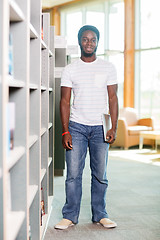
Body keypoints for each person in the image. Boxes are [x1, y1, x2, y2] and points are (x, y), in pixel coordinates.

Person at [54, 25, 118, 230]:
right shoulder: (71, 68)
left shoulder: (108, 67)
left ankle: (100, 214)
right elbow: (64, 101)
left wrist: (113, 127)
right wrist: (65, 130)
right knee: (73, 174)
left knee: (100, 174)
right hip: (77, 127)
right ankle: (70, 216)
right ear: (80, 41)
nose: (89, 43)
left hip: (101, 126)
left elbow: (113, 98)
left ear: (98, 42)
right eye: (85, 39)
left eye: (93, 39)